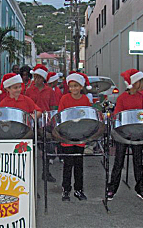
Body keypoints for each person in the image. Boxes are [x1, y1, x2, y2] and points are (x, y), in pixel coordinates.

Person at [107, 69, 143, 201]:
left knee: (138, 162)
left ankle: (141, 188)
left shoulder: (141, 97)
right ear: (133, 83)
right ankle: (112, 189)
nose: (142, 84)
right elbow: (117, 115)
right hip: (123, 134)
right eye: (140, 81)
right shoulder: (122, 98)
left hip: (136, 133)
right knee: (118, 162)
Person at [58, 72, 92, 201]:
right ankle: (66, 190)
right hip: (67, 137)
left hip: (80, 137)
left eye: (76, 86)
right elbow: (61, 116)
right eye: (71, 86)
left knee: (79, 165)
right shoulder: (64, 99)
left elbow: (88, 117)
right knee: (68, 165)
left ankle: (78, 190)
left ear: (81, 87)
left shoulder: (85, 100)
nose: (73, 89)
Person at [25, 64, 57, 182]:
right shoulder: (29, 90)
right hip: (33, 119)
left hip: (45, 121)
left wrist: (50, 122)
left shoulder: (49, 90)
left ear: (43, 79)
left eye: (39, 77)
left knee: (47, 148)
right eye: (35, 77)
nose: (36, 80)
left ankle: (46, 172)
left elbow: (52, 106)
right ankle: (30, 175)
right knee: (32, 148)